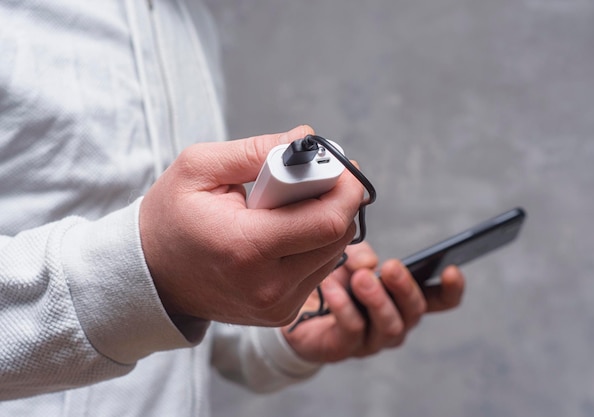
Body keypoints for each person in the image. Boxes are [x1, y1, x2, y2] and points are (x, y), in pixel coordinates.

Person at [0, 1, 464, 415]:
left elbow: (181, 317)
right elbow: (151, 280)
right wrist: (148, 270)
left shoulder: (186, 22)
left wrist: (285, 325)